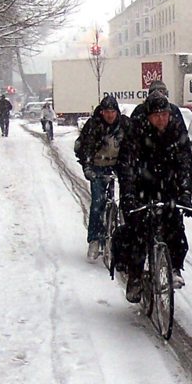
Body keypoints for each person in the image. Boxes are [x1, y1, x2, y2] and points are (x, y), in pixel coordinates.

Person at [116, 88, 192, 302]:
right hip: (141, 186)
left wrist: (185, 192)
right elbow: (127, 165)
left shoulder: (176, 129)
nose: (162, 119)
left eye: (165, 114)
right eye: (157, 115)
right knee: (137, 232)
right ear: (149, 116)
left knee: (175, 228)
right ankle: (135, 277)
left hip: (168, 186)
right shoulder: (136, 132)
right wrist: (129, 195)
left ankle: (176, 267)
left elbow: (184, 161)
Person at [75, 95, 129, 262]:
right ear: (102, 112)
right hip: (98, 165)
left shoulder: (124, 125)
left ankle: (126, 239)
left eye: (112, 111)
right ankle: (94, 239)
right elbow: (86, 148)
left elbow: (132, 146)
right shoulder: (94, 126)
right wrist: (88, 168)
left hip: (118, 164)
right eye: (107, 111)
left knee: (129, 200)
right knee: (98, 202)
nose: (110, 115)